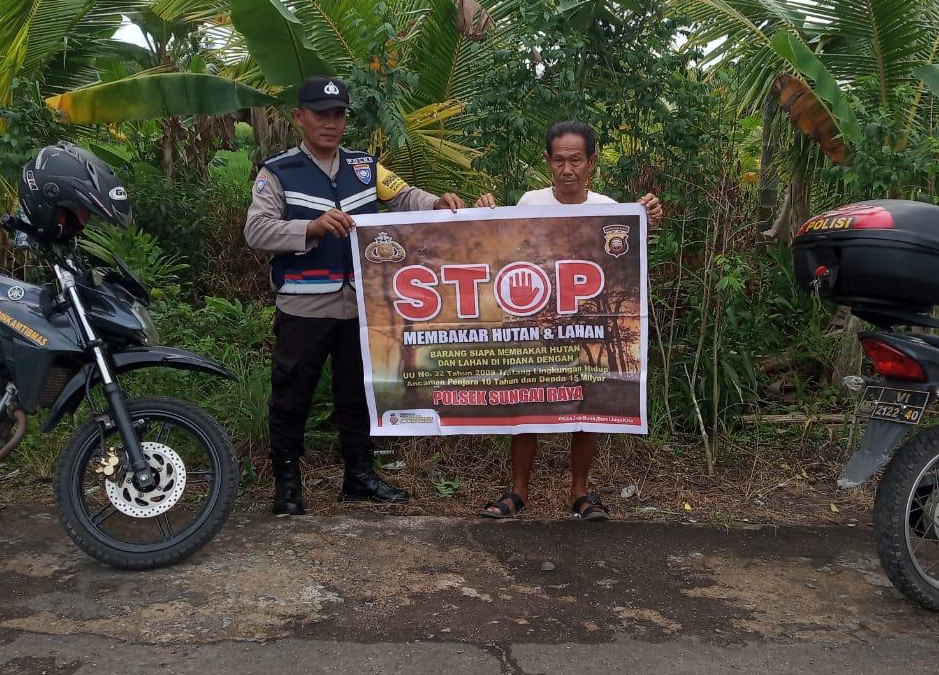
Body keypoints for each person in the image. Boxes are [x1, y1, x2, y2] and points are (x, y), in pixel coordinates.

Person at [245, 75, 477, 516]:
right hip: (304, 305)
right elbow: (256, 230)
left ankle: (359, 475)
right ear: (300, 118)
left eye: (338, 115)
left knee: (357, 391)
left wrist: (438, 204)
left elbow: (405, 196)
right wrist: (309, 229)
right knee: (293, 394)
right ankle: (288, 484)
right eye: (321, 114)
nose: (330, 124)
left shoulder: (364, 167)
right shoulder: (277, 172)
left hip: (363, 304)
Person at [476, 121, 663, 521]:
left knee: (588, 406)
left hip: (588, 327)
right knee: (527, 404)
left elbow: (626, 259)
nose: (567, 169)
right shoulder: (529, 203)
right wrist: (481, 217)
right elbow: (506, 250)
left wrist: (646, 219)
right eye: (558, 160)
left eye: (575, 160)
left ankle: (579, 492)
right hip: (538, 325)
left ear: (591, 161)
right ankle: (518, 491)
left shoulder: (610, 210)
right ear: (547, 162)